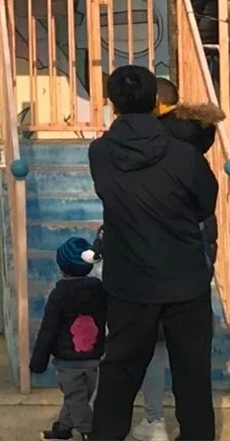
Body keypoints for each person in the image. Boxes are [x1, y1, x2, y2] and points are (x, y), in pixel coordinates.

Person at [88, 65, 218, 441]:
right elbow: (204, 204)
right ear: (156, 102)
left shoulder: (100, 153)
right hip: (185, 283)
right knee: (192, 379)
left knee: (118, 376)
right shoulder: (182, 155)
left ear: (113, 104)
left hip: (129, 286)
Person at [126, 77, 225, 441]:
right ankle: (195, 430)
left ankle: (153, 420)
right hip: (195, 254)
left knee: (152, 348)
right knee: (191, 360)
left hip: (158, 255)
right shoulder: (195, 136)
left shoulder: (156, 141)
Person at [30, 236, 107, 441]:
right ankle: (63, 429)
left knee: (75, 397)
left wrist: (38, 362)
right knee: (79, 397)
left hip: (68, 361)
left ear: (62, 267)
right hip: (93, 357)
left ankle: (89, 432)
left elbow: (48, 330)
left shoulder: (59, 294)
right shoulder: (100, 291)